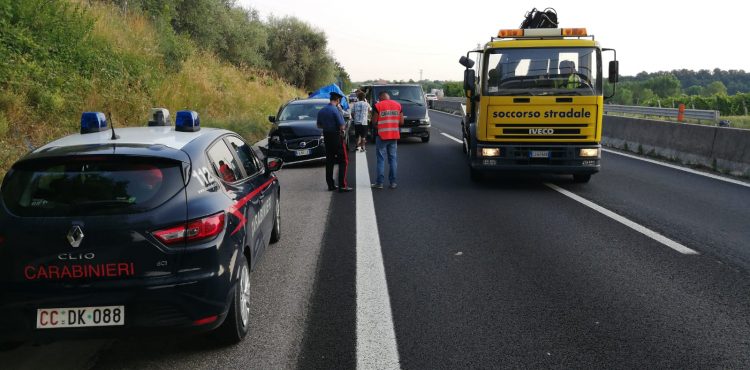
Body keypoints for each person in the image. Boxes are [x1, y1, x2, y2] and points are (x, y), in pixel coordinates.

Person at [317, 91, 352, 192]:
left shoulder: (322, 111)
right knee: (343, 161)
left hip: (327, 136)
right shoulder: (336, 110)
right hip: (336, 136)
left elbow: (319, 126)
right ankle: (342, 185)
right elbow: (342, 126)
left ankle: (331, 185)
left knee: (330, 161)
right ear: (338, 100)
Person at [371, 91, 403, 189]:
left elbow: (374, 122)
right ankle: (393, 182)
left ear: (380, 98)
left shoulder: (378, 105)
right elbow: (401, 122)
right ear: (388, 97)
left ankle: (379, 183)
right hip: (394, 135)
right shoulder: (398, 105)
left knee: (381, 159)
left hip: (382, 136)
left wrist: (380, 127)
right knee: (392, 159)